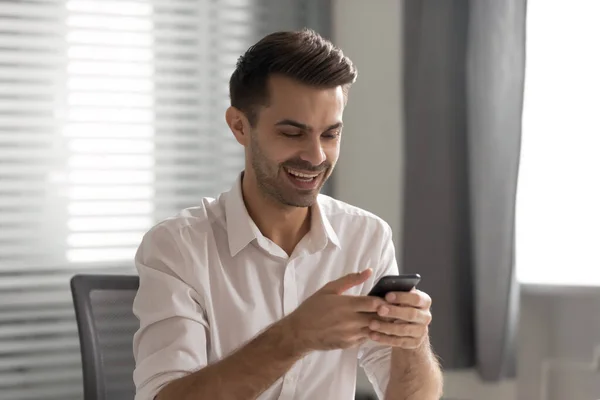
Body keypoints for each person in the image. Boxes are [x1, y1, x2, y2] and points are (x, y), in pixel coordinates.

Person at [132, 29, 443, 400]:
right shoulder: (177, 247)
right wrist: (295, 336)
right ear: (239, 126)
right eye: (293, 133)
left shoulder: (366, 237)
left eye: (330, 135)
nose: (315, 157)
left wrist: (412, 341)